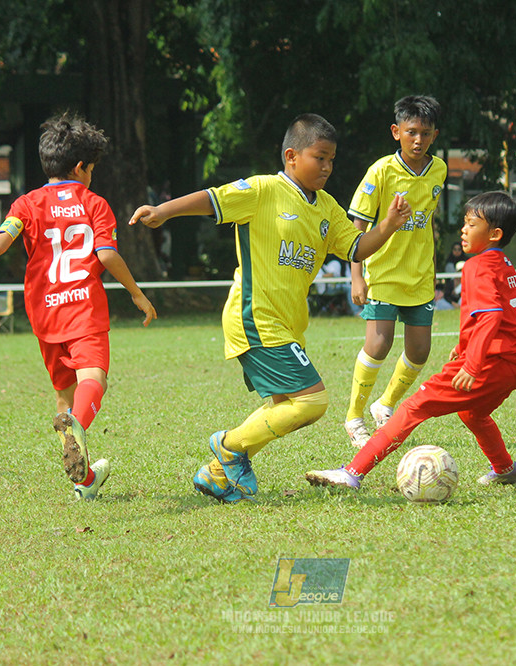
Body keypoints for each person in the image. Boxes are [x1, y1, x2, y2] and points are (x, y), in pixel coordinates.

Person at [129, 113, 413, 503]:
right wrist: (163, 211)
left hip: (287, 323)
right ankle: (228, 446)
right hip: (255, 317)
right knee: (312, 402)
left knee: (284, 406)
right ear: (292, 156)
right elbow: (212, 199)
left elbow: (357, 248)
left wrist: (389, 225)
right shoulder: (262, 190)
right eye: (320, 157)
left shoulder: (327, 208)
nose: (328, 167)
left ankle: (216, 475)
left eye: (332, 159)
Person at [0, 112, 157, 500]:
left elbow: (0, 242)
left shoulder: (26, 204)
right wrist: (136, 292)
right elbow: (105, 255)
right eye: (93, 168)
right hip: (83, 308)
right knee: (93, 381)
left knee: (63, 395)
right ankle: (77, 426)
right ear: (82, 167)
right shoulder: (95, 204)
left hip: (45, 311)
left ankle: (84, 482)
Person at [305, 191, 516, 491]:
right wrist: (464, 346)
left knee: (412, 409)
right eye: (464, 223)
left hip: (492, 362)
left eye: (471, 224)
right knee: (474, 413)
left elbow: (490, 318)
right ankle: (506, 469)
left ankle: (352, 472)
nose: (463, 230)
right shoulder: (502, 263)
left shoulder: (477, 266)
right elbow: (502, 315)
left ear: (495, 234)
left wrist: (474, 363)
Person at [343, 95, 447, 448]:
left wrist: (431, 267)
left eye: (426, 133)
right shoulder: (381, 172)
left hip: (419, 277)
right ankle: (354, 417)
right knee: (379, 342)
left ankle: (384, 405)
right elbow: (357, 225)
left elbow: (427, 222)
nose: (418, 140)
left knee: (419, 351)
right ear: (396, 132)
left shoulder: (440, 170)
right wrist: (357, 275)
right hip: (382, 274)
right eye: (411, 132)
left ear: (434, 135)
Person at [439, 241, 468, 305]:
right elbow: (447, 295)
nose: (457, 251)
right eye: (455, 249)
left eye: (459, 249)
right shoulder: (449, 264)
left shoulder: (467, 261)